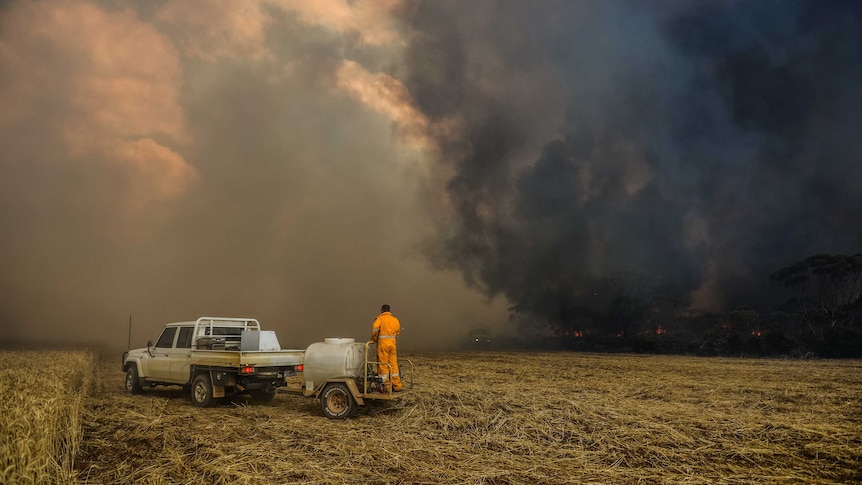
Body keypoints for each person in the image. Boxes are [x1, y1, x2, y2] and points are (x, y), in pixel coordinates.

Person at [369, 304, 402, 392]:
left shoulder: (380, 319)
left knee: (383, 365)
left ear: (382, 310)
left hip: (383, 345)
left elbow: (375, 328)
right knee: (393, 364)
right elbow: (398, 331)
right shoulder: (395, 320)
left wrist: (374, 339)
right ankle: (397, 385)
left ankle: (386, 386)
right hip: (392, 345)